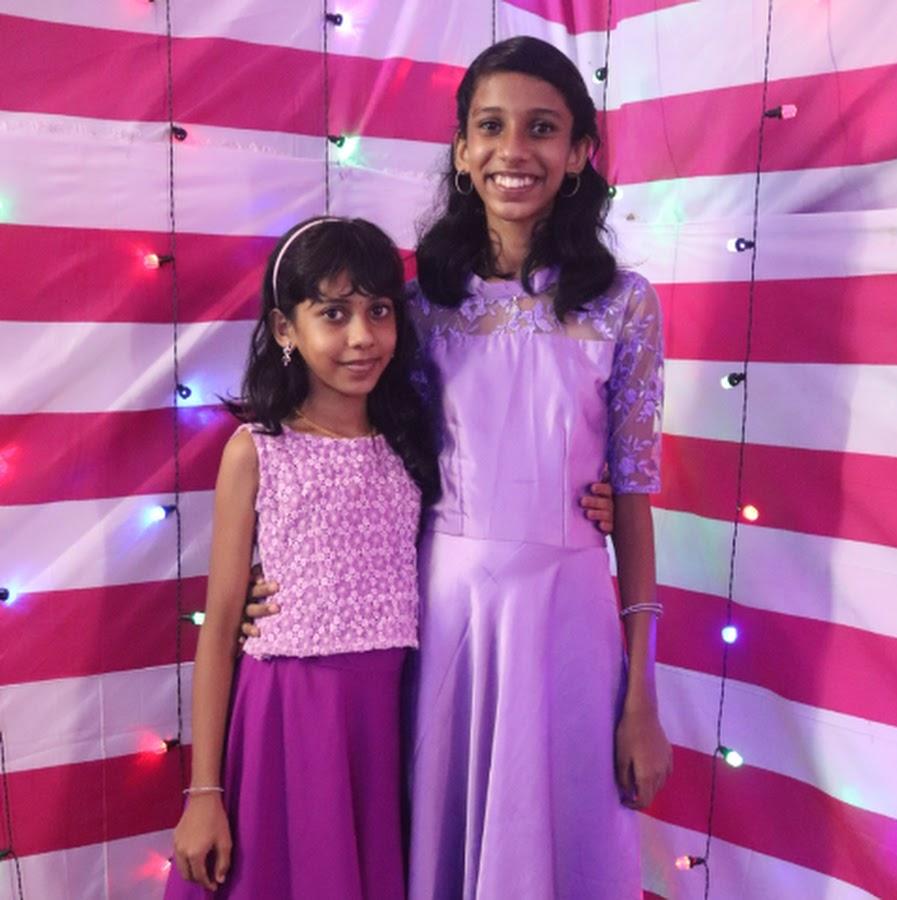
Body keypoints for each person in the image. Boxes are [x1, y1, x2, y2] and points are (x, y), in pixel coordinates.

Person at [248, 35, 672, 899]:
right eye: (491, 126)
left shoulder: (624, 305)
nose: (516, 149)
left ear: (579, 153)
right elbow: (362, 453)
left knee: (561, 834)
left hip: (569, 615)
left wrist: (643, 697)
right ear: (461, 149)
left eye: (543, 127)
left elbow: (631, 498)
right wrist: (284, 564)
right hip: (443, 610)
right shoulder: (412, 308)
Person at [164, 216, 440, 899]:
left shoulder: (412, 443)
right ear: (286, 328)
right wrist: (204, 791)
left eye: (379, 310)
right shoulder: (258, 450)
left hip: (388, 719)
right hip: (289, 720)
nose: (362, 336)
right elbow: (220, 627)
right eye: (334, 314)